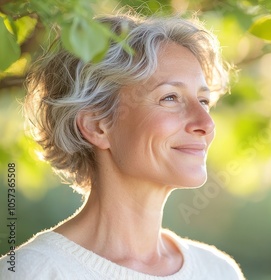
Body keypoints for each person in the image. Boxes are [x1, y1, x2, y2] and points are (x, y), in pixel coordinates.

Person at [0, 12, 244, 279]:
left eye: (204, 101)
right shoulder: (30, 272)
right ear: (97, 126)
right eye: (170, 97)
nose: (206, 123)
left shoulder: (219, 271)